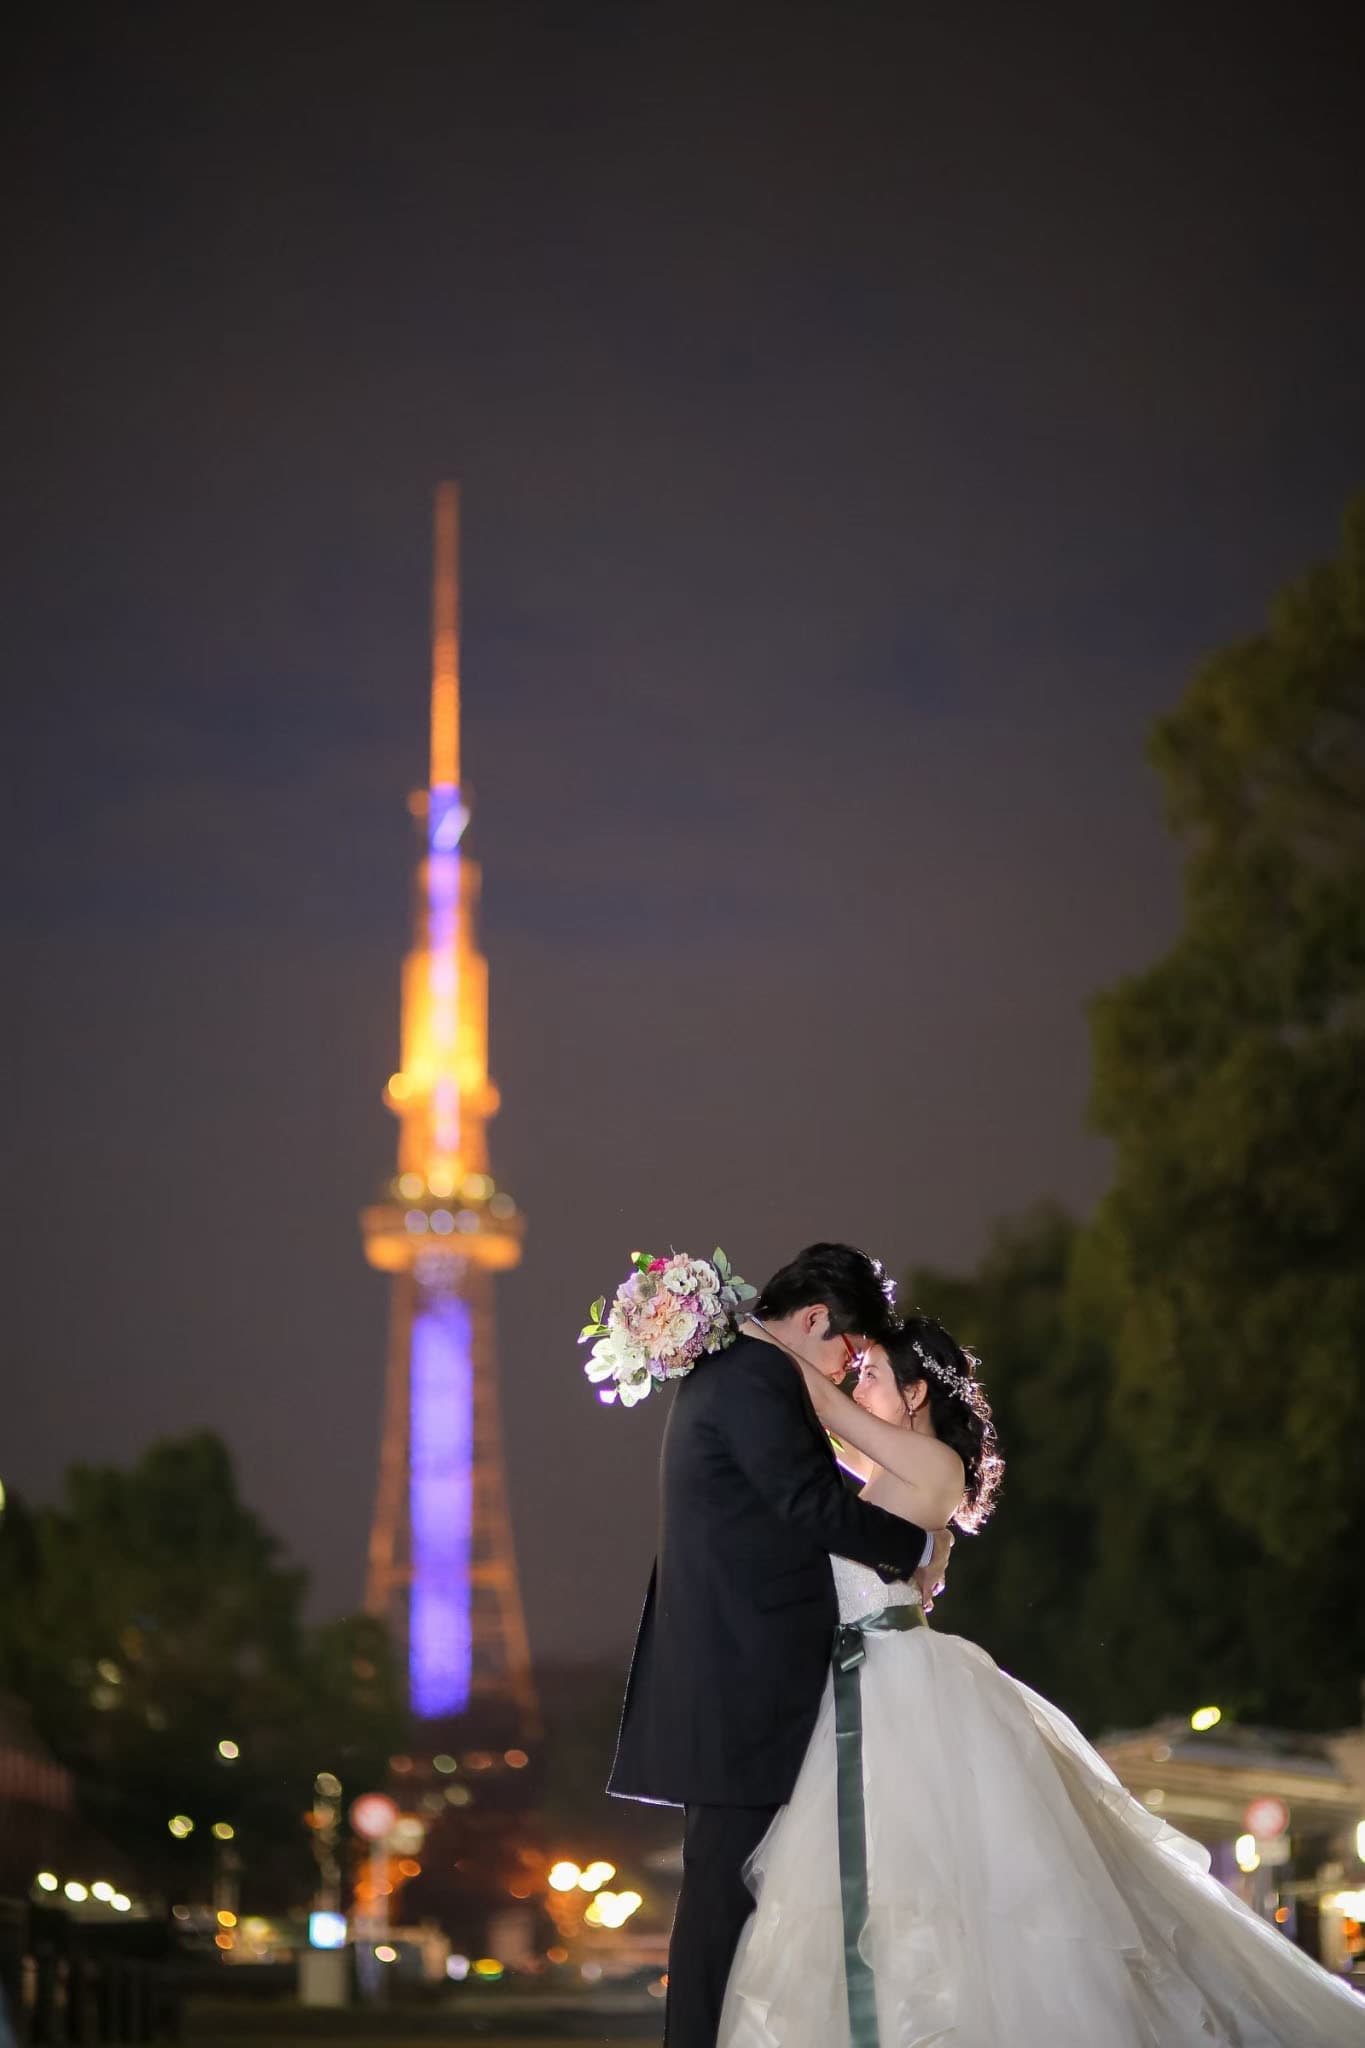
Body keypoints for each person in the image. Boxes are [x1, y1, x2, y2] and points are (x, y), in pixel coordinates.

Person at [719, 1314, 1365, 2047]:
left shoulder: (931, 1468)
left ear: (913, 1392)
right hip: (862, 1688)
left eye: (866, 1373)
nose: (848, 1383)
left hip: (898, 1687)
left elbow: (821, 1416)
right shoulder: (878, 1474)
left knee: (946, 1884)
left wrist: (745, 1339)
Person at [608, 1244, 953, 2048]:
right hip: (739, 1683)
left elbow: (803, 1493)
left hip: (729, 1676)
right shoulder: (756, 1379)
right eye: (847, 1350)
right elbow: (807, 1501)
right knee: (721, 1909)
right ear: (811, 1321)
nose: (841, 1371)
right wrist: (914, 1548)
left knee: (730, 1903)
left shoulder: (729, 1374)